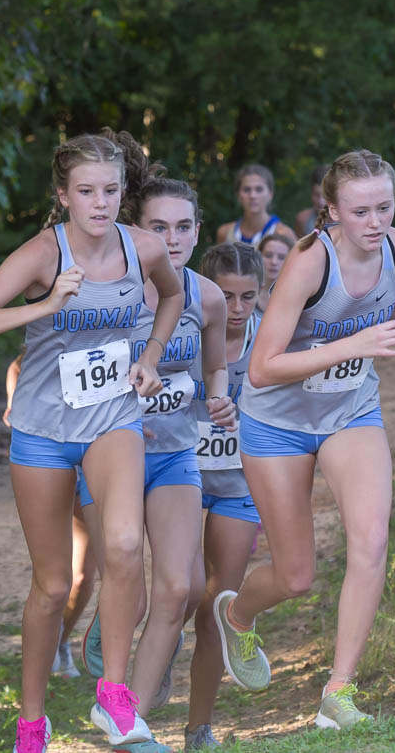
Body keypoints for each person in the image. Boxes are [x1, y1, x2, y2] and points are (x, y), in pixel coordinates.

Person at [0, 129, 183, 753]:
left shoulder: (144, 248)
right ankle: (33, 721)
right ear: (63, 195)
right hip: (43, 431)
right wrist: (42, 305)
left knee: (126, 547)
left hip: (113, 418)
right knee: (53, 587)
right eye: (86, 192)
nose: (100, 203)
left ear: (124, 191)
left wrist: (153, 355)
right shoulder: (40, 255)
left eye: (110, 190)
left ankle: (115, 698)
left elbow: (174, 296)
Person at [212, 150, 395, 729]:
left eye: (385, 208)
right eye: (361, 211)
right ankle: (237, 616)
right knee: (295, 576)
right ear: (332, 210)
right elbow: (263, 367)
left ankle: (338, 694)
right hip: (277, 422)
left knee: (371, 539)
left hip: (350, 411)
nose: (375, 223)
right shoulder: (308, 262)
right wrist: (357, 344)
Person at [76, 177, 234, 752]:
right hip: (107, 454)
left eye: (184, 226)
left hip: (174, 455)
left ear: (198, 229)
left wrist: (218, 398)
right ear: (137, 229)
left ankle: (127, 723)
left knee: (180, 586)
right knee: (133, 588)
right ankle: (109, 619)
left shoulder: (207, 296)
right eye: (158, 227)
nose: (172, 239)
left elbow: (214, 369)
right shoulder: (101, 287)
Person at [184, 242, 265, 751]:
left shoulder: (272, 335)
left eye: (248, 297)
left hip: (239, 486)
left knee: (217, 603)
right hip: (181, 478)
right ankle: (152, 670)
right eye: (226, 296)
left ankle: (199, 727)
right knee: (182, 590)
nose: (236, 309)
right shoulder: (181, 330)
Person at [3, 351, 92, 680]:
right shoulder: (62, 311)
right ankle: (41, 654)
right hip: (49, 450)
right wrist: (14, 400)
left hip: (101, 446)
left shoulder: (128, 316)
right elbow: (18, 363)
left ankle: (61, 639)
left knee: (81, 576)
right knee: (51, 579)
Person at [215, 164, 297, 247]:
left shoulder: (284, 233)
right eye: (246, 189)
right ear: (238, 195)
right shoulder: (224, 233)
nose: (252, 195)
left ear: (270, 194)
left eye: (259, 189)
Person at [255, 233, 293, 318]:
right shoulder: (247, 291)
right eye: (268, 255)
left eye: (281, 257)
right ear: (258, 256)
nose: (274, 262)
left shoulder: (296, 296)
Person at [294, 164, 330, 236]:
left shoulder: (345, 220)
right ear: (311, 193)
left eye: (325, 195)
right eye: (316, 195)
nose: (321, 201)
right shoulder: (303, 220)